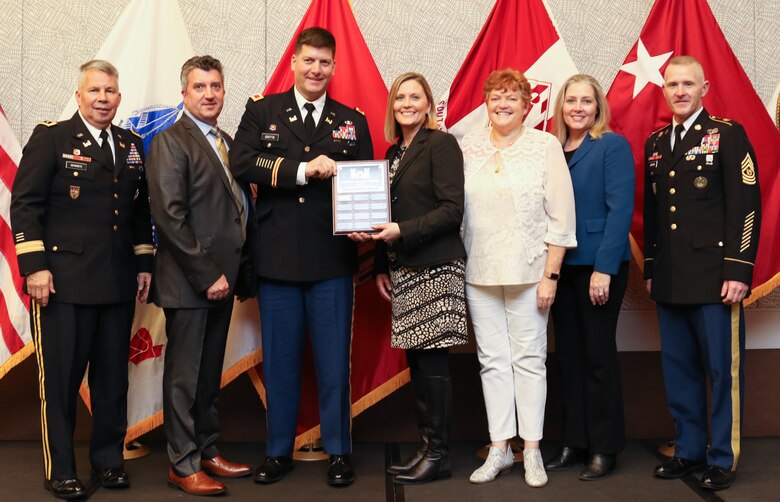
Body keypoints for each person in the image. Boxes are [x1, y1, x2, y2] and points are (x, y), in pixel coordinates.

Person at [230, 27, 372, 487]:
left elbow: (366, 183)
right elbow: (241, 162)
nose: (316, 70)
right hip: (278, 262)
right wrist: (301, 170)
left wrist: (366, 221)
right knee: (281, 362)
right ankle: (277, 451)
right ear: (294, 62)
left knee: (334, 363)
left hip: (332, 260)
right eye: (308, 60)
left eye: (324, 63)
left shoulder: (352, 119)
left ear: (334, 67)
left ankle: (338, 451)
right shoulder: (263, 111)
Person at [10, 59, 153, 499]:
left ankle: (108, 462)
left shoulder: (130, 144)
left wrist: (144, 262)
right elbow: (25, 205)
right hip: (62, 284)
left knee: (112, 382)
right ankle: (62, 470)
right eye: (94, 91)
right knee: (61, 383)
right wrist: (34, 266)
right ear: (78, 95)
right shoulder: (51, 137)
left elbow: (138, 209)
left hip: (115, 282)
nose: (103, 99)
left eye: (110, 91)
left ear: (119, 96)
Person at [645, 55, 761, 491]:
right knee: (680, 370)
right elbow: (655, 215)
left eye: (688, 84)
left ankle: (723, 457)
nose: (680, 91)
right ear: (664, 89)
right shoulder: (656, 142)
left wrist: (739, 268)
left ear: (704, 87)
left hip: (717, 279)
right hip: (672, 278)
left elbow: (746, 205)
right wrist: (652, 268)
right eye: (672, 84)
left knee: (722, 370)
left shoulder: (727, 135)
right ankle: (689, 450)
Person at [348, 72, 467, 484]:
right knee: (418, 363)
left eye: (415, 96)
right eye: (400, 97)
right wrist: (381, 264)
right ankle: (427, 448)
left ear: (429, 104)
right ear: (392, 106)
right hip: (405, 269)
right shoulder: (394, 152)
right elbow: (385, 216)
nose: (407, 103)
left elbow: (452, 210)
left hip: (436, 268)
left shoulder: (441, 144)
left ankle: (439, 454)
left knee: (432, 364)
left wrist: (402, 231)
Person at [146, 55, 255, 496]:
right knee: (185, 377)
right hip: (192, 282)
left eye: (216, 87)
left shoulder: (226, 140)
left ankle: (207, 450)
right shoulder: (171, 141)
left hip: (223, 282)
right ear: (185, 93)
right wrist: (207, 273)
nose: (209, 94)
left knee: (209, 374)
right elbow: (169, 218)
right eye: (200, 87)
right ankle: (182, 462)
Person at [462, 68, 576, 488]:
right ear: (486, 104)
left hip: (531, 272)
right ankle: (499, 448)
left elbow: (562, 218)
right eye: (495, 97)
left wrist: (551, 276)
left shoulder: (545, 146)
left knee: (528, 362)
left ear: (528, 106)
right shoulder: (468, 147)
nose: (502, 104)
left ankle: (531, 450)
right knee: (491, 362)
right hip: (479, 271)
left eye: (511, 97)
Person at [545, 74, 635, 480]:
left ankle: (604, 447)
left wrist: (604, 268)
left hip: (599, 267)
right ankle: (573, 442)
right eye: (571, 101)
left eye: (586, 101)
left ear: (598, 107)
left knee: (598, 357)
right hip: (560, 267)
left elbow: (621, 211)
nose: (578, 108)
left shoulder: (610, 146)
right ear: (560, 107)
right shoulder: (552, 150)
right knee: (568, 357)